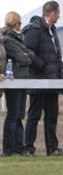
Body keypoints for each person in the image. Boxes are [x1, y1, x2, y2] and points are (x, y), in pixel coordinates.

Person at [22, 2, 63, 156]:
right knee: (34, 115)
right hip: (38, 80)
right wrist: (41, 64)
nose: (59, 16)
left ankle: (52, 148)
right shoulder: (35, 29)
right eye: (58, 13)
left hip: (52, 81)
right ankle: (28, 148)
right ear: (52, 13)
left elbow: (55, 54)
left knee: (51, 116)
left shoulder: (52, 30)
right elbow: (27, 50)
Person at [2, 13, 34, 156]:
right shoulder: (9, 40)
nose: (20, 26)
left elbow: (30, 56)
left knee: (19, 115)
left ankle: (18, 147)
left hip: (21, 79)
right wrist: (25, 56)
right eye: (19, 23)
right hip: (14, 81)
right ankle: (9, 149)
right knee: (13, 114)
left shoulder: (16, 39)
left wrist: (26, 55)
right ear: (15, 24)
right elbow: (25, 58)